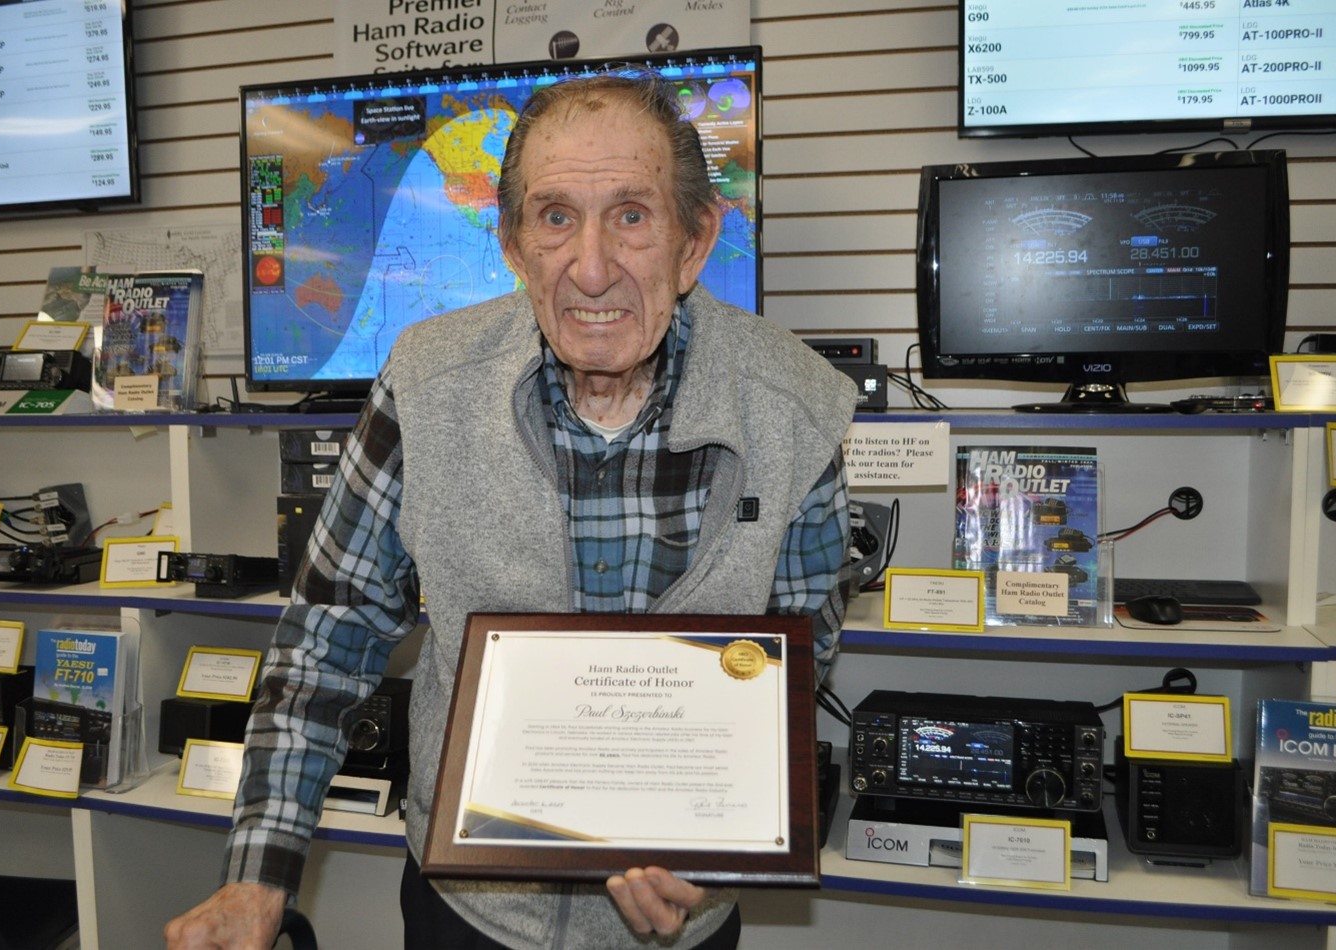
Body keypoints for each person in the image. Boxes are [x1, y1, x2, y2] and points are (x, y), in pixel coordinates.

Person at [165, 70, 857, 950]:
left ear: (694, 243)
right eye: (556, 216)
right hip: (470, 911)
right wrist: (258, 876)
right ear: (514, 245)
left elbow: (798, 661)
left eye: (632, 216)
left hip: (681, 923)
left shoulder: (797, 408)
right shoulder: (424, 383)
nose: (592, 268)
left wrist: (714, 854)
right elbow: (328, 637)